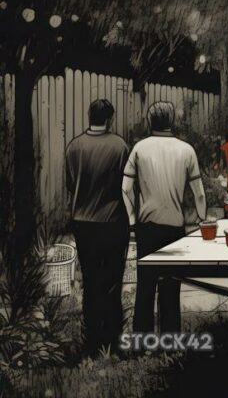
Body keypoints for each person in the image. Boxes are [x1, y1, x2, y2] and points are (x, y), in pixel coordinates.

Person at [123, 102, 207, 333]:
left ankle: (142, 339)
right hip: (174, 226)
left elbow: (126, 188)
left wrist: (131, 217)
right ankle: (170, 338)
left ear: (150, 121)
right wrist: (202, 219)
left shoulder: (139, 149)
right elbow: (198, 192)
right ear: (172, 121)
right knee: (171, 286)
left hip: (147, 225)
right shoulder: (186, 150)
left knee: (145, 286)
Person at [65, 99, 130, 356]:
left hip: (83, 221)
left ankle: (92, 340)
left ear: (89, 115)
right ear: (110, 119)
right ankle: (112, 341)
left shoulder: (74, 147)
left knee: (90, 281)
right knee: (112, 281)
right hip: (112, 221)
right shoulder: (120, 146)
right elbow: (126, 185)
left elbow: (71, 184)